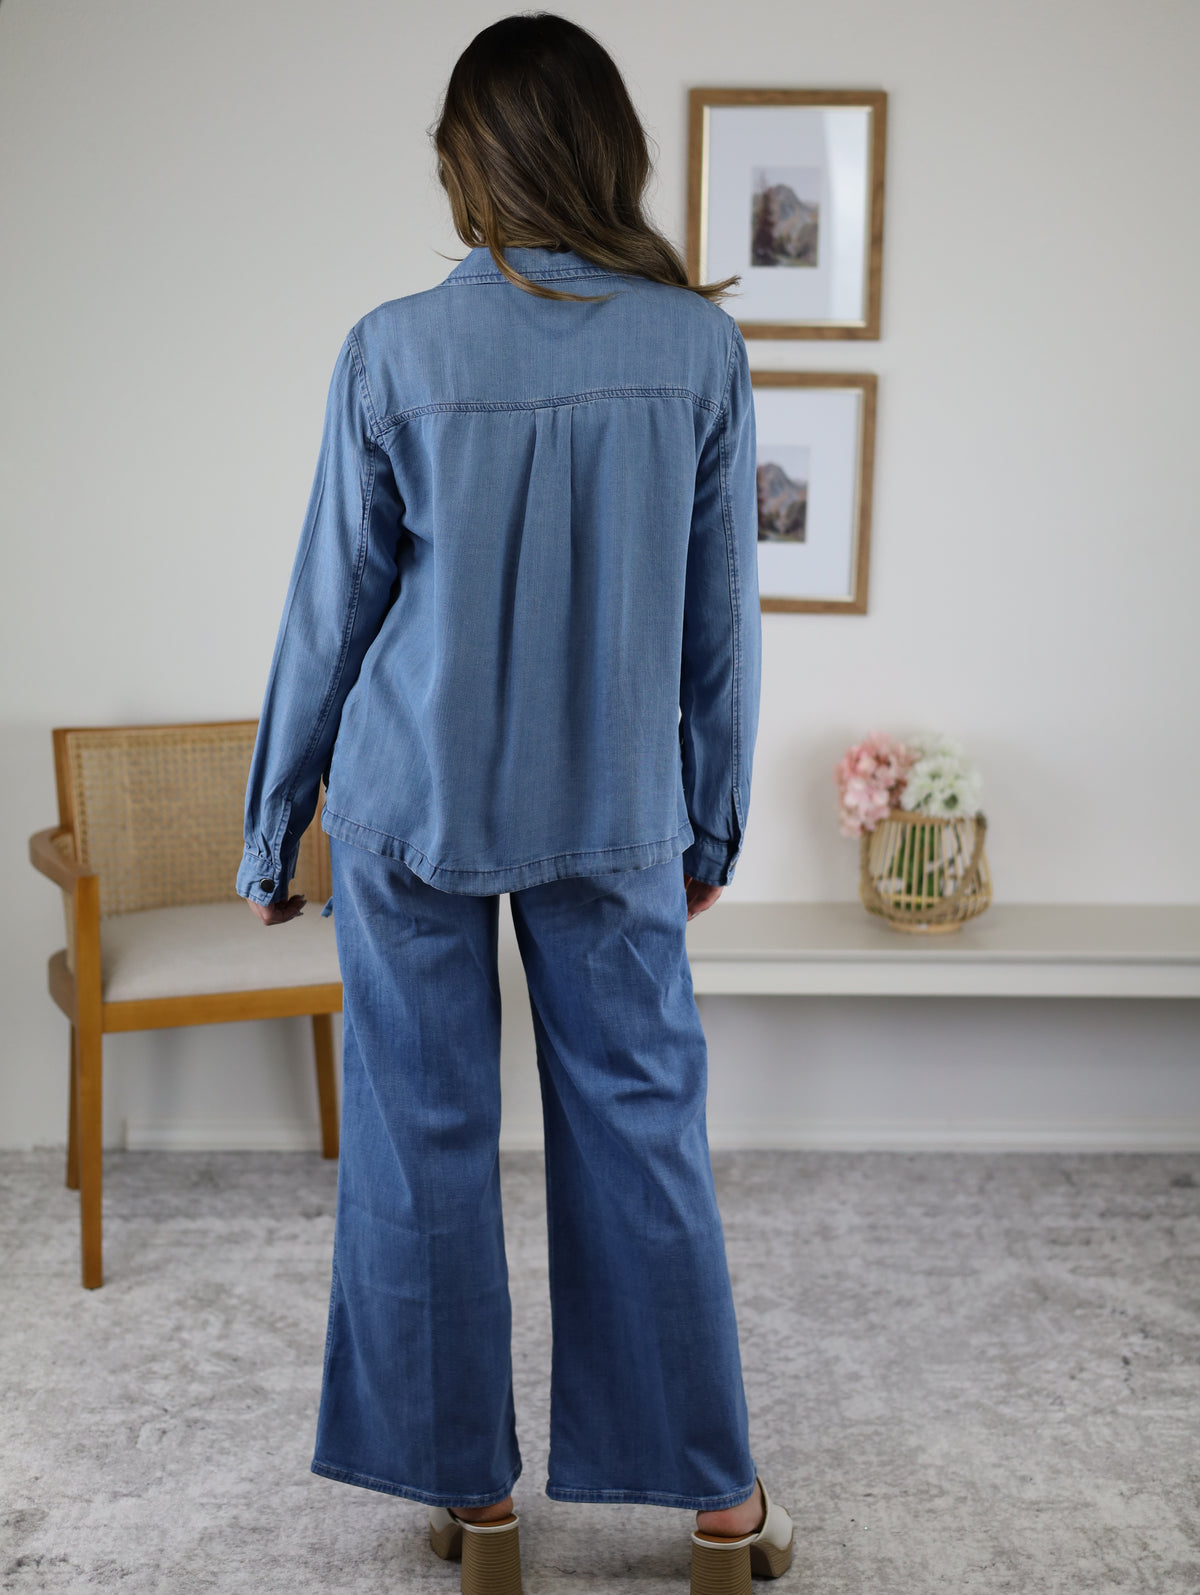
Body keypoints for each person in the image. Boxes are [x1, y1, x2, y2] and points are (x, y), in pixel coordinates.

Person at [236, 12, 793, 1592]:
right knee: (642, 1134)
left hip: (408, 806)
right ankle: (721, 1512)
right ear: (610, 152)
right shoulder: (698, 349)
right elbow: (719, 621)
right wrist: (713, 821)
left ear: (469, 165)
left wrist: (274, 827)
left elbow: (330, 612)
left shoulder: (393, 349)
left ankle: (475, 1506)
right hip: (613, 808)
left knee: (417, 1141)